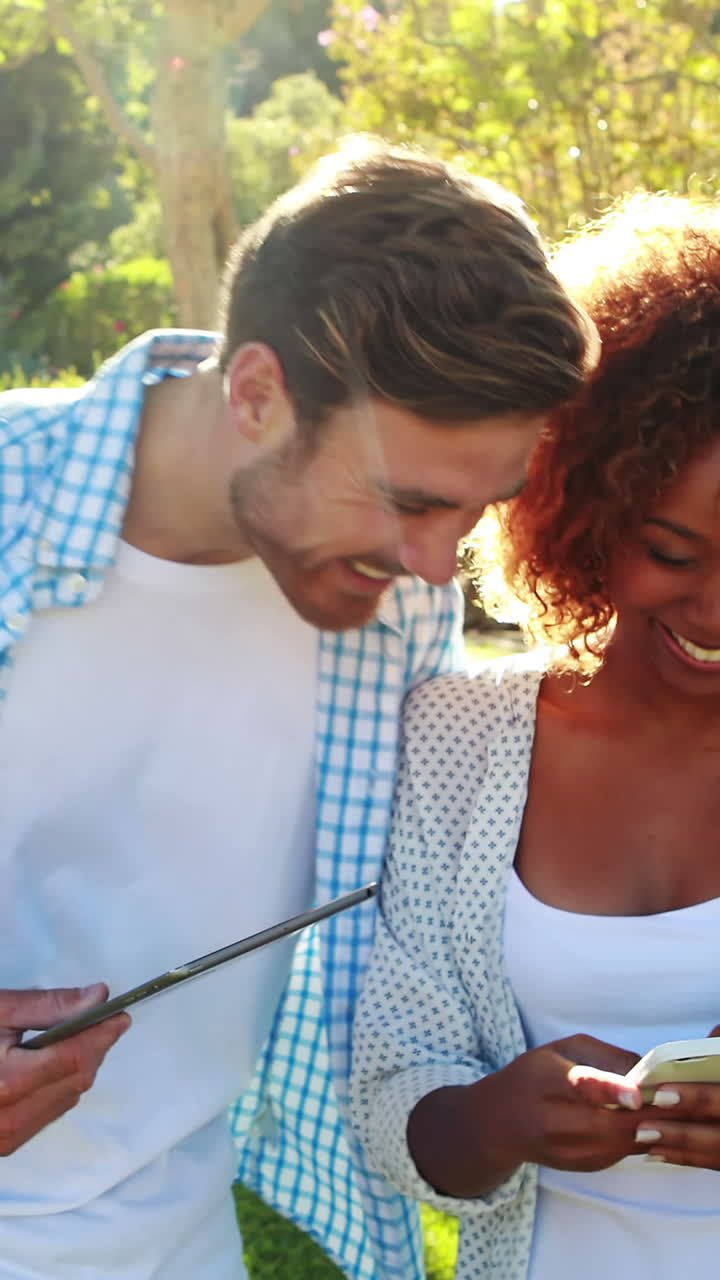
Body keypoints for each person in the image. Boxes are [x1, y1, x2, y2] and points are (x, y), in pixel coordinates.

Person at [0, 141, 592, 1280]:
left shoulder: (392, 611)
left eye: (475, 510)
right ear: (258, 393)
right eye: (409, 500)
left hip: (177, 1246)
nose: (439, 568)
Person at [350, 190, 720, 1279]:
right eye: (673, 552)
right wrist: (497, 1115)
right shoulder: (456, 743)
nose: (715, 610)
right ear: (586, 509)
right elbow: (391, 1101)